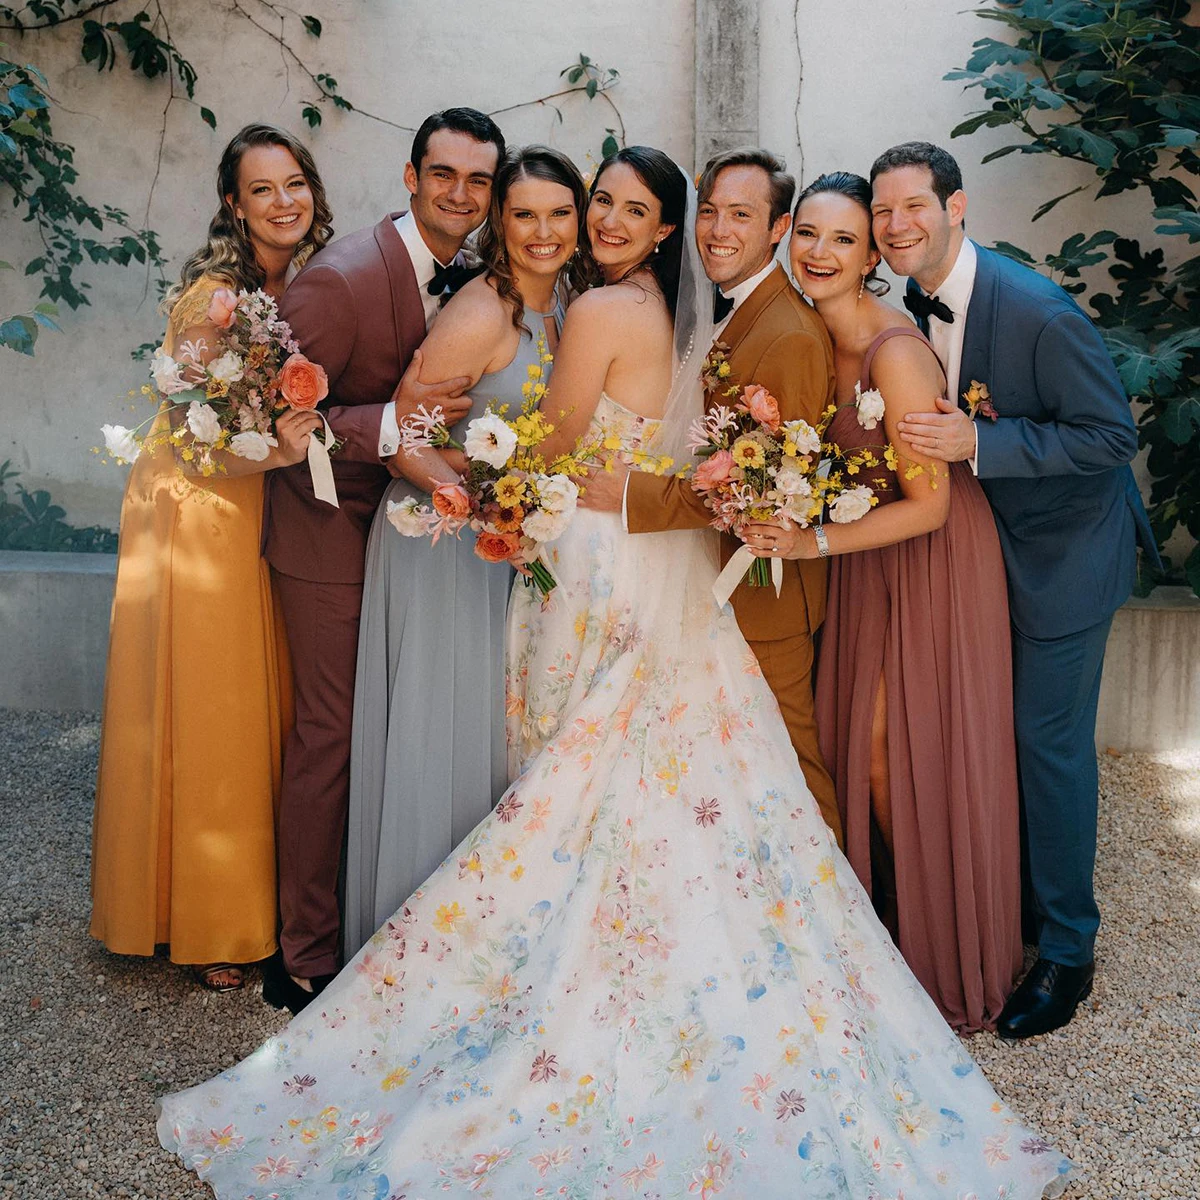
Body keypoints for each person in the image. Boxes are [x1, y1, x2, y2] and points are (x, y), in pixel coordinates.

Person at [158, 148, 1071, 1199]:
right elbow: (598, 457)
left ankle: (571, 979)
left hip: (602, 568)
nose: (604, 221)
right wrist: (493, 461)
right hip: (633, 568)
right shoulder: (657, 311)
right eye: (603, 202)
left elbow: (558, 459)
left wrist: (490, 473)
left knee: (576, 774)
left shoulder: (615, 313)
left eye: (637, 209)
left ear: (681, 226)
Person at [871, 142, 1159, 1039]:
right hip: (988, 553)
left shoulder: (1037, 310)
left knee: (1048, 746)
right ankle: (1014, 910)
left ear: (958, 208)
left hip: (1066, 556)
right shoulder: (900, 311)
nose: (896, 226)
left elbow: (1110, 437)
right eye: (882, 213)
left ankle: (1068, 950)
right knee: (996, 734)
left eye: (914, 206)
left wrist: (983, 449)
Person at [738, 171, 1022, 1032]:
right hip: (865, 560)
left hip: (929, 559)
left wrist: (809, 539)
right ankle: (885, 927)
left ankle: (939, 951)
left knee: (886, 753)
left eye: (844, 240)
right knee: (853, 737)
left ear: (871, 258)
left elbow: (930, 501)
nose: (820, 253)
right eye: (809, 235)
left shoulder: (895, 352)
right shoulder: (806, 335)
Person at [263, 108, 506, 1012]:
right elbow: (272, 423)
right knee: (331, 733)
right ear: (410, 177)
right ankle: (305, 951)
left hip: (416, 535)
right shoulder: (341, 281)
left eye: (478, 181)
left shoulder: (478, 277)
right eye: (443, 175)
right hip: (327, 533)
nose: (460, 194)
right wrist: (387, 429)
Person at [90, 124, 331, 992]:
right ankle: (206, 921)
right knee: (212, 705)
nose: (284, 202)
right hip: (197, 505)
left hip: (248, 495)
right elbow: (184, 424)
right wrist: (274, 454)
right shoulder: (216, 296)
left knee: (245, 698)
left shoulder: (289, 286)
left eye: (295, 183)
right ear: (234, 203)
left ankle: (238, 899)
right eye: (262, 189)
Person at [344, 145, 589, 958]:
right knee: (438, 735)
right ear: (499, 222)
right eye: (524, 214)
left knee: (489, 739)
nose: (543, 231)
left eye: (560, 213)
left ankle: (480, 946)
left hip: (497, 542)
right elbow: (399, 441)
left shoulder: (566, 307)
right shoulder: (482, 312)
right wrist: (484, 494)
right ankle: (413, 955)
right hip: (437, 541)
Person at [577, 147, 843, 848]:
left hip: (766, 587)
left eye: (743, 216)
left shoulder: (787, 333)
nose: (719, 229)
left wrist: (633, 495)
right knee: (736, 774)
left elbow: (764, 491)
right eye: (713, 212)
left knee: (788, 769)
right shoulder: (731, 310)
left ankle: (838, 931)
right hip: (708, 578)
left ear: (778, 228)